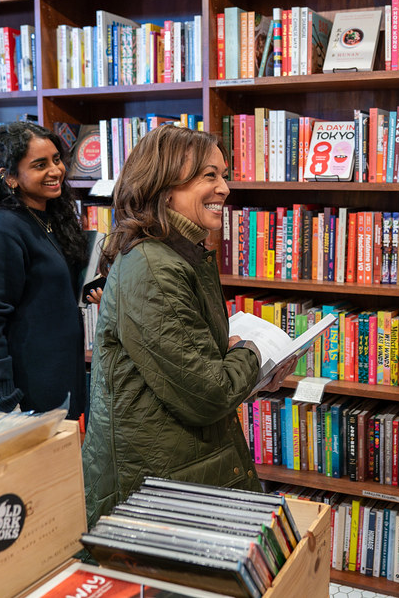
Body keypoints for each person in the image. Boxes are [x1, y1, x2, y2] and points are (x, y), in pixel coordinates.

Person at [82, 125, 294, 525]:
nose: (225, 188)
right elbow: (207, 394)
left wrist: (253, 374)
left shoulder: (180, 256)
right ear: (164, 188)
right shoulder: (155, 268)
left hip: (178, 468)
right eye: (209, 176)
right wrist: (252, 351)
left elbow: (193, 372)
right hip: (154, 482)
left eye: (224, 174)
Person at [0, 122, 88, 419]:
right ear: (10, 177)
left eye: (57, 160)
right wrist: (2, 404)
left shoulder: (48, 216)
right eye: (40, 165)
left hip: (60, 381)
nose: (55, 171)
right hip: (25, 396)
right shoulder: (0, 232)